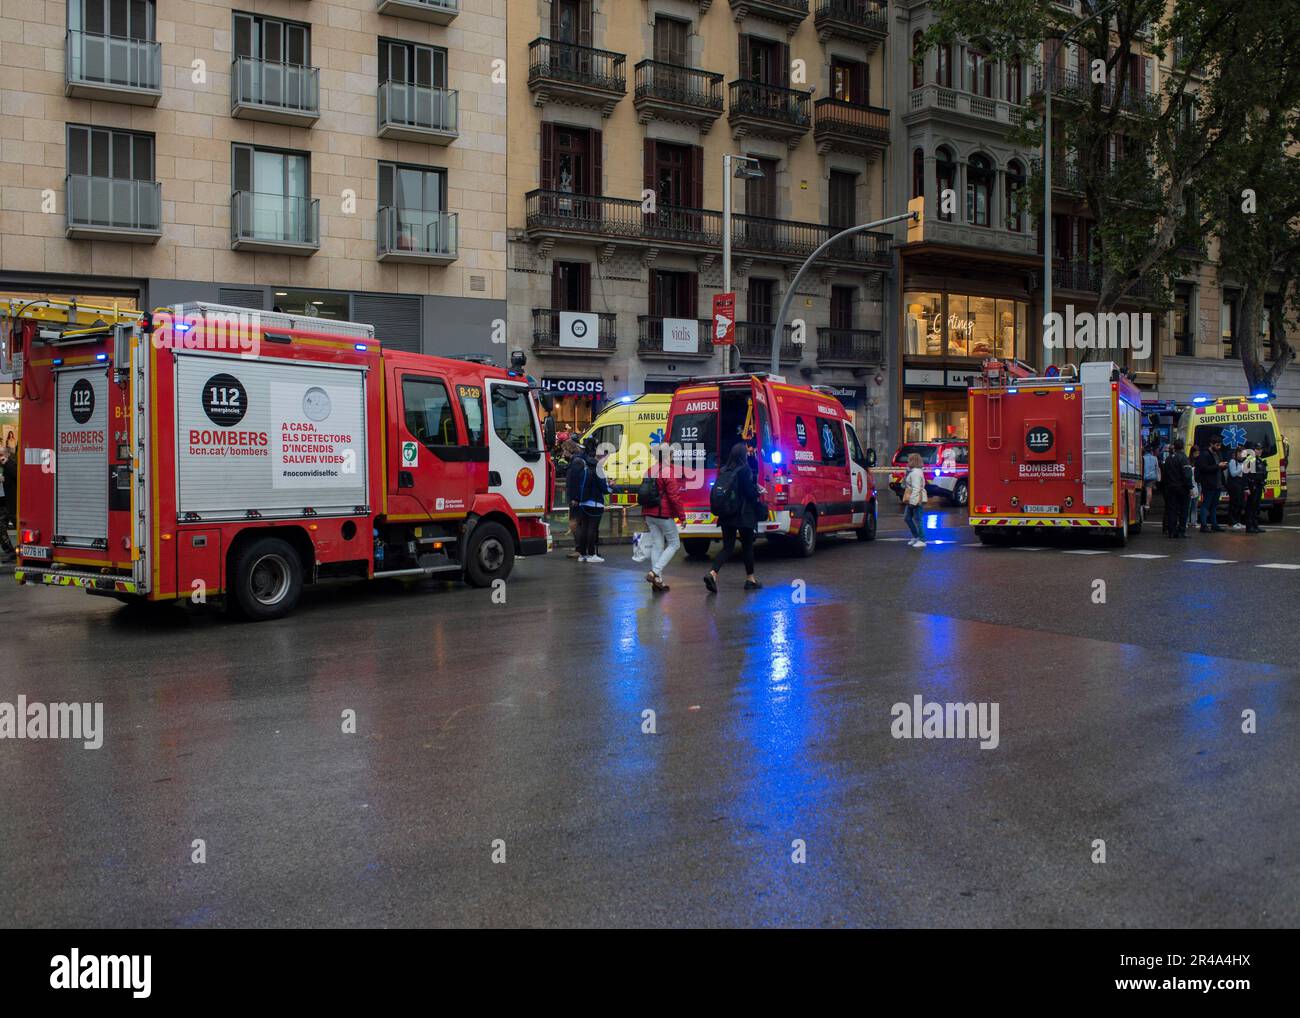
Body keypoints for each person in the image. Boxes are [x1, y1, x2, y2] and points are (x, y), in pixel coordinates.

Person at [703, 441, 764, 592]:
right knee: (747, 546)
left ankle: (713, 573)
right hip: (744, 515)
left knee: (727, 547)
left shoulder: (724, 470)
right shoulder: (745, 471)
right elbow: (749, 493)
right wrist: (759, 492)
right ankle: (750, 579)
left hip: (727, 514)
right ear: (743, 455)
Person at [640, 443, 684, 592]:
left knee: (657, 544)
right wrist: (682, 516)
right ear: (667, 456)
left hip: (648, 513)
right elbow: (674, 496)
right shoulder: (668, 472)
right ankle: (654, 572)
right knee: (674, 544)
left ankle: (657, 581)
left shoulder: (649, 470)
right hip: (663, 514)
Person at [567, 437, 609, 563]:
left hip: (583, 501)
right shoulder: (597, 467)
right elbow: (603, 487)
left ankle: (583, 554)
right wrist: (611, 487)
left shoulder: (582, 464)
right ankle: (592, 554)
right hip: (595, 502)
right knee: (592, 528)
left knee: (584, 528)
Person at [1195, 438, 1226, 532]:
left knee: (1214, 505)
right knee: (1206, 504)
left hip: (1218, 483)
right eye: (1217, 445)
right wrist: (1218, 466)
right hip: (1208, 483)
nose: (1218, 447)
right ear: (1211, 444)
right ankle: (1204, 525)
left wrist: (1223, 466)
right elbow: (1204, 468)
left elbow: (1218, 467)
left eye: (1219, 445)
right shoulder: (1204, 454)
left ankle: (1214, 524)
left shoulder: (1218, 453)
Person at [1162, 439, 1192, 538]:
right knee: (1183, 510)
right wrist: (1190, 487)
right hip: (1182, 488)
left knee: (1172, 509)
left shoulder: (1169, 459)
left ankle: (1171, 530)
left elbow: (1164, 474)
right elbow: (1187, 475)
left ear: (1174, 447)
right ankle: (1181, 531)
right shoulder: (1184, 458)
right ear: (1183, 447)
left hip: (1170, 488)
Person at [901, 452, 927, 547]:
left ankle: (922, 539)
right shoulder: (913, 472)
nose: (907, 461)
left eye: (909, 460)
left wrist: (913, 501)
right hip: (913, 498)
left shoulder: (915, 473)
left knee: (917, 519)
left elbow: (916, 488)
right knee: (908, 518)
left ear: (913, 461)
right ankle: (917, 537)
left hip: (915, 499)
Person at [1245, 442, 1268, 534]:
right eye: (1258, 449)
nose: (1260, 451)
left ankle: (1255, 525)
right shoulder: (1250, 459)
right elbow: (1245, 475)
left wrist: (1264, 485)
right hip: (1252, 486)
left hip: (1258, 486)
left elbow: (1262, 475)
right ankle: (1249, 527)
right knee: (1251, 507)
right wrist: (1246, 487)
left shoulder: (1259, 459)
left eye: (1261, 449)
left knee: (1256, 507)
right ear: (1253, 450)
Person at [1225, 446, 1248, 529]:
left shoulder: (1242, 462)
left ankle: (1238, 521)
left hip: (1241, 484)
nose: (1243, 455)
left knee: (1241, 503)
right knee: (1234, 503)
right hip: (1234, 484)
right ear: (1237, 453)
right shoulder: (1232, 461)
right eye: (1241, 453)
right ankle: (1232, 522)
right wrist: (1242, 468)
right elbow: (1233, 473)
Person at [0, 444, 14, 561]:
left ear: (7, 454)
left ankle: (23, 551)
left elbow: (17, 476)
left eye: (1, 454)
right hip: (2, 502)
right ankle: (10, 551)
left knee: (18, 526)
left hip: (11, 503)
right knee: (1, 528)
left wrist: (7, 463)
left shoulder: (11, 464)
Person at [1142, 444, 1160, 511]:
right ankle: (1147, 504)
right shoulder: (1155, 458)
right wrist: (1157, 479)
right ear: (1151, 451)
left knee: (1143, 490)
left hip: (1143, 476)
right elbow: (1157, 468)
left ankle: (1142, 502)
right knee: (1149, 490)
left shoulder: (1143, 458)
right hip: (1152, 477)